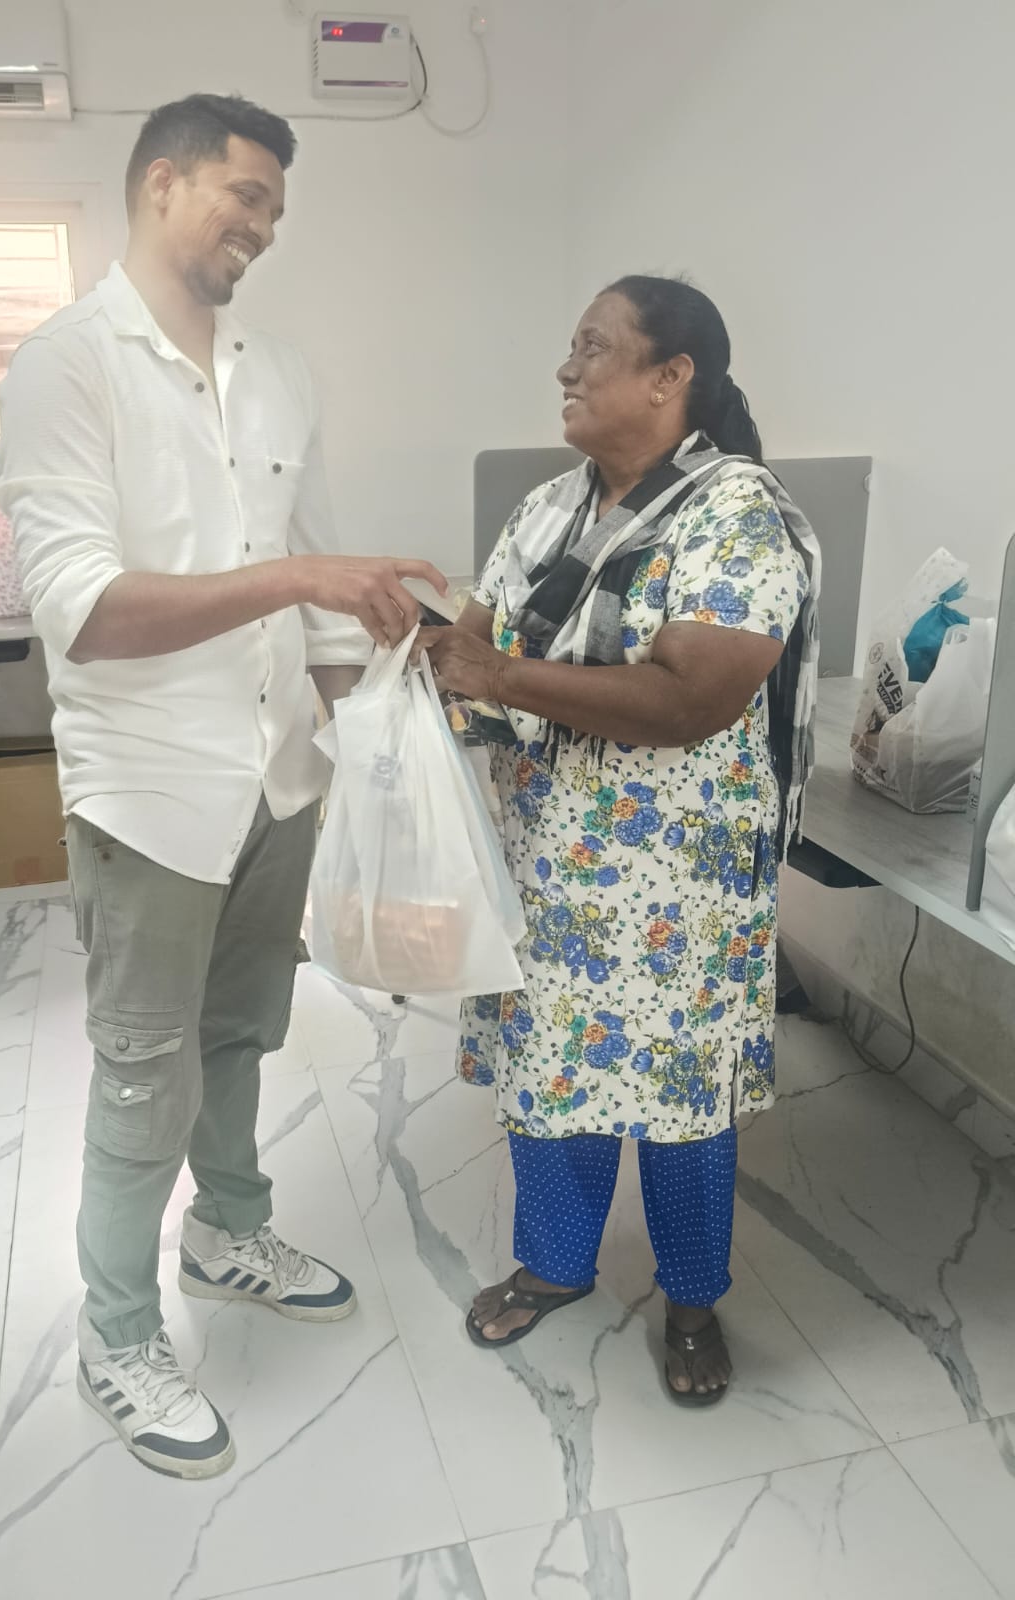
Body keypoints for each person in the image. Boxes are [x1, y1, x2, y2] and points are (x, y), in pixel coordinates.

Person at [0, 93, 445, 1479]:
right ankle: (117, 1335)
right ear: (162, 181)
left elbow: (314, 590)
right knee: (145, 1074)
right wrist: (303, 574)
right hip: (148, 796)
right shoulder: (68, 367)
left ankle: (226, 1231)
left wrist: (384, 716)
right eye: (245, 195)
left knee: (241, 1033)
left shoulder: (277, 372)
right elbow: (84, 609)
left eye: (276, 210)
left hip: (278, 778)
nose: (263, 226)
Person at [422, 276, 820, 1404]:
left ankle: (692, 1297)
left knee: (683, 1095)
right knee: (552, 1070)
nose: (567, 367)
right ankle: (557, 1264)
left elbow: (694, 694)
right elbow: (477, 648)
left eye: (593, 347)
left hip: (682, 874)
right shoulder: (546, 510)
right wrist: (424, 648)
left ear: (669, 376)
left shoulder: (735, 513)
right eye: (571, 346)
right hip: (547, 860)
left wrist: (498, 673)